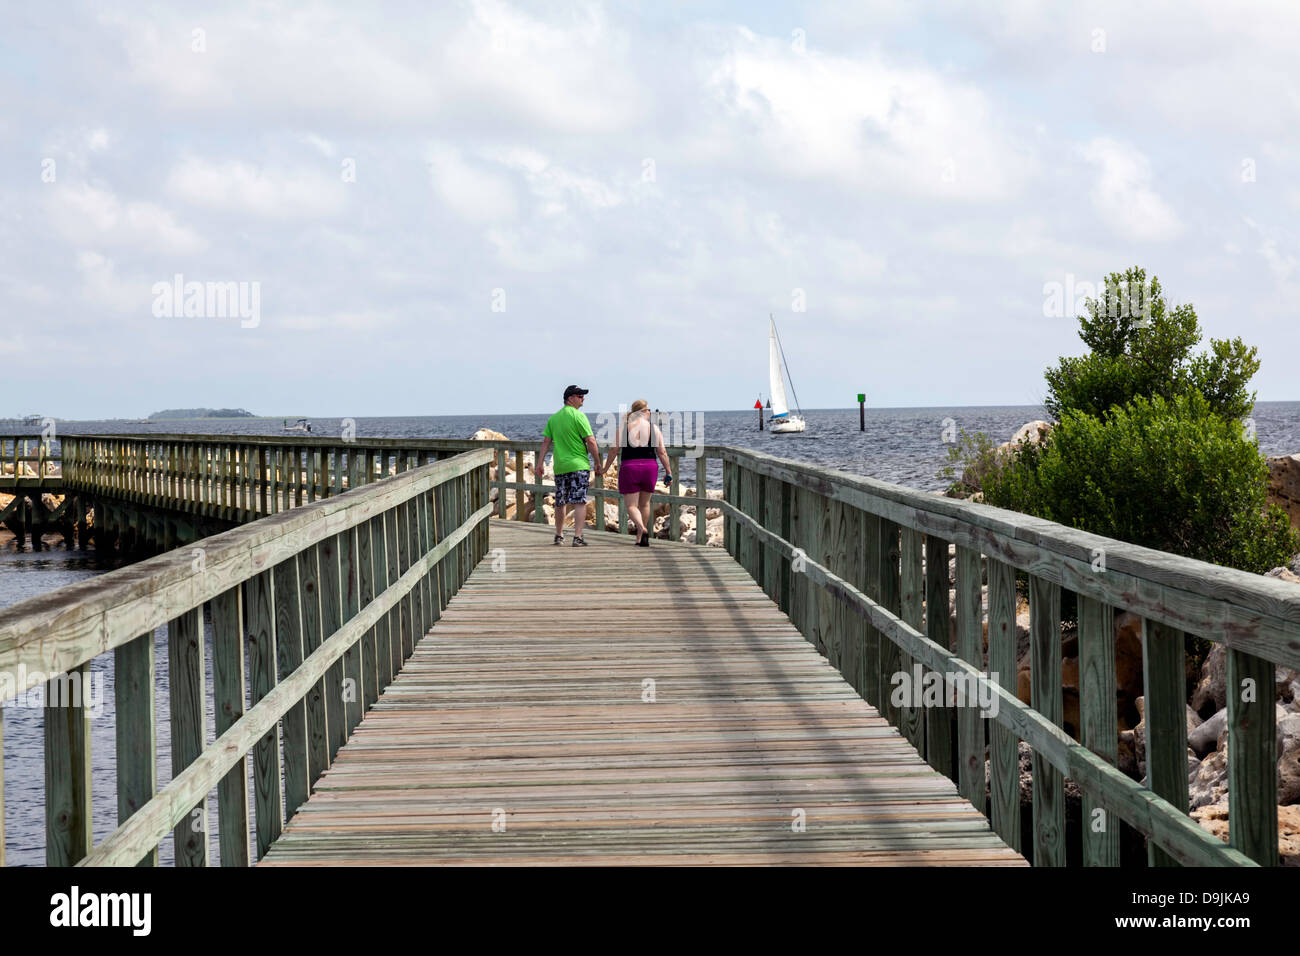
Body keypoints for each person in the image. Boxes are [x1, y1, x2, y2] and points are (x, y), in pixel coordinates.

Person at [537, 385, 603, 546]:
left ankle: (559, 535)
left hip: (560, 466)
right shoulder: (578, 416)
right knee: (579, 501)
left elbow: (546, 442)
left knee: (561, 502)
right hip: (578, 465)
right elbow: (591, 440)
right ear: (570, 398)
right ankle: (577, 537)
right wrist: (598, 462)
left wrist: (540, 463)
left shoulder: (554, 418)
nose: (583, 398)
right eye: (580, 396)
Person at [601, 399, 671, 547]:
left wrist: (605, 468)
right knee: (645, 504)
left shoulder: (624, 427)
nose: (650, 413)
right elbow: (662, 452)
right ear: (643, 412)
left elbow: (614, 450)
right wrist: (668, 472)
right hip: (649, 467)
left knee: (631, 506)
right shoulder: (654, 428)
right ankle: (640, 537)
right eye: (648, 410)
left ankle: (641, 528)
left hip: (630, 467)